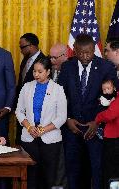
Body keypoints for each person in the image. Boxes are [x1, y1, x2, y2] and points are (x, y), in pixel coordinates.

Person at [58, 34, 118, 189]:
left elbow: (111, 97)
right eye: (81, 53)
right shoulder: (67, 67)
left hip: (95, 129)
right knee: (72, 172)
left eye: (89, 52)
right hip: (72, 129)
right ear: (75, 51)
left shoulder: (106, 67)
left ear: (94, 50)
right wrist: (67, 119)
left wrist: (97, 121)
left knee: (97, 171)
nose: (85, 56)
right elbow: (60, 97)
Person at [16, 57, 67, 189]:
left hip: (51, 140)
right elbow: (19, 111)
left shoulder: (58, 89)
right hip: (29, 137)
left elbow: (61, 117)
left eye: (40, 71)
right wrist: (29, 127)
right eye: (34, 71)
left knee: (48, 175)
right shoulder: (26, 87)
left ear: (48, 71)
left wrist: (43, 130)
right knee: (30, 174)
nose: (36, 74)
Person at [15, 33, 45, 144]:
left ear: (31, 46)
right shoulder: (25, 60)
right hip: (22, 107)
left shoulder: (44, 61)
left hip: (34, 110)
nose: (21, 50)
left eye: (22, 47)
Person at [49, 43, 69, 189]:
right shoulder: (51, 71)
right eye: (50, 57)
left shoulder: (71, 71)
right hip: (48, 123)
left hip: (66, 123)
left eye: (55, 57)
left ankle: (60, 185)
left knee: (63, 157)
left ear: (65, 55)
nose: (52, 61)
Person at [95, 80, 119, 189]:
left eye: (108, 88)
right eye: (104, 89)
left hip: (114, 138)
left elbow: (110, 115)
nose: (105, 91)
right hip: (110, 137)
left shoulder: (117, 99)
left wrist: (98, 117)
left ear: (114, 88)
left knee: (111, 169)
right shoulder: (107, 99)